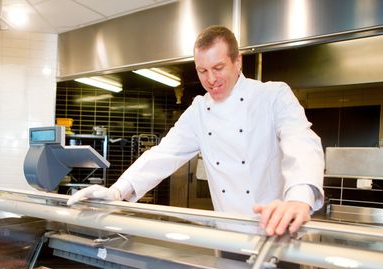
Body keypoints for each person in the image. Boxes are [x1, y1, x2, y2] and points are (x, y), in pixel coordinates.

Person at [67, 25, 324, 236]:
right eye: (202, 71)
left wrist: (299, 197)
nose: (210, 79)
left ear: (237, 61)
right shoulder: (199, 111)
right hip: (228, 237)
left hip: (278, 232)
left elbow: (301, 141)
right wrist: (116, 191)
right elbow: (163, 154)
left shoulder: (272, 95)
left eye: (218, 68)